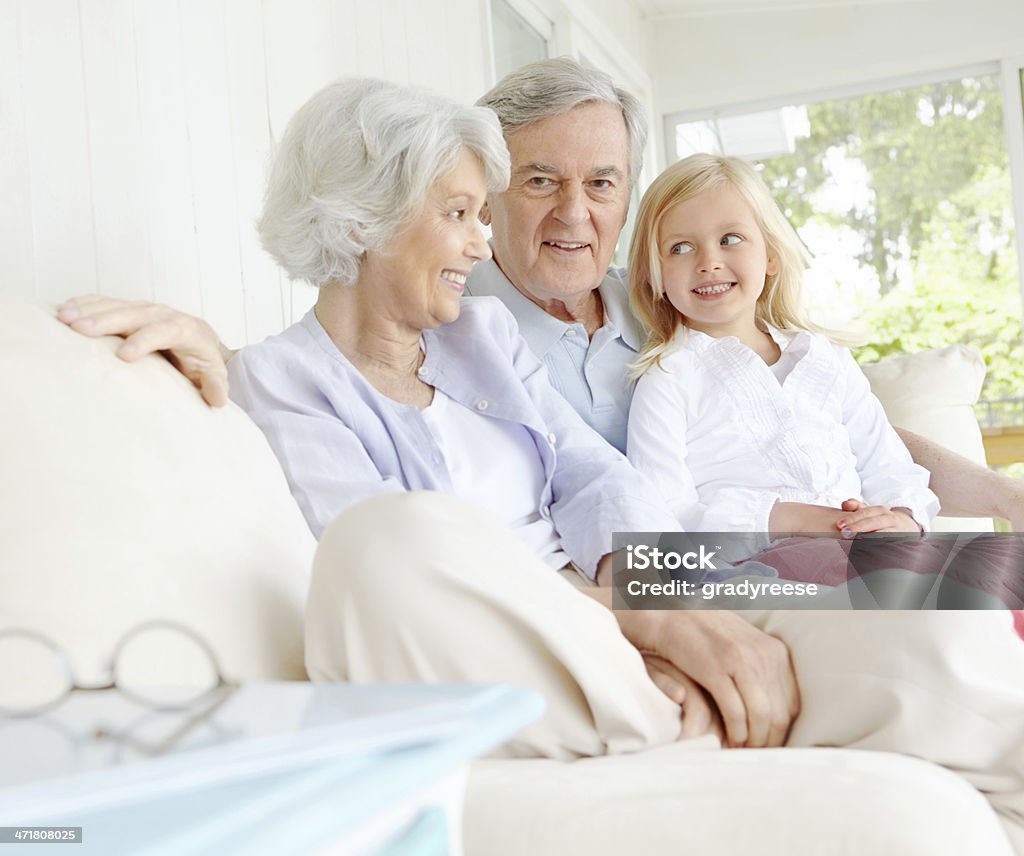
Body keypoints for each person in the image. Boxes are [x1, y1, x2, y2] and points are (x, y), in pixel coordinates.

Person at [56, 65, 1024, 849]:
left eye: (485, 213)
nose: (482, 245)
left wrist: (663, 601)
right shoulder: (284, 380)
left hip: (641, 573)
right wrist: (217, 358)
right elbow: (382, 548)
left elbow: (593, 475)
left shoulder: (515, 326)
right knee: (391, 546)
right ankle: (665, 712)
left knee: (931, 595)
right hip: (521, 611)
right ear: (365, 220)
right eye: (463, 213)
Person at [626, 153, 939, 556]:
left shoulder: (827, 359)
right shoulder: (667, 378)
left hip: (870, 556)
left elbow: (889, 465)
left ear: (770, 254)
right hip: (754, 569)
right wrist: (795, 518)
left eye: (730, 239)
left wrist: (902, 516)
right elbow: (665, 514)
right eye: (681, 247)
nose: (709, 263)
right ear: (655, 274)